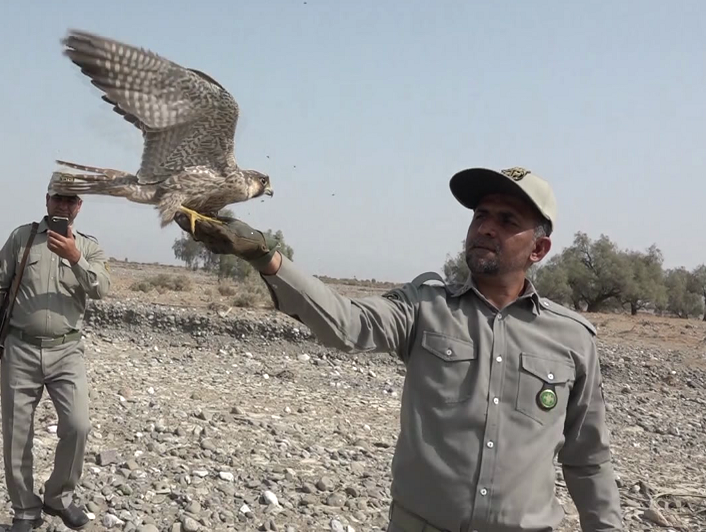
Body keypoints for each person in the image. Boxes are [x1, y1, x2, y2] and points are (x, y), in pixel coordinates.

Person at [174, 166, 623, 532]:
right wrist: (264, 256)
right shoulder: (425, 305)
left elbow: (588, 460)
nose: (485, 227)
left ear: (539, 248)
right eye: (480, 215)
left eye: (507, 221)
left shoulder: (572, 338)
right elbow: (347, 325)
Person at [0, 173, 111, 531]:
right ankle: (25, 511)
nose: (63, 205)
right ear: (46, 199)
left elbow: (102, 289)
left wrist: (76, 258)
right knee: (18, 434)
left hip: (67, 352)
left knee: (78, 426)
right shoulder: (22, 237)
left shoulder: (89, 247)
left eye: (70, 200)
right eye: (58, 198)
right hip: (20, 349)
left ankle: (58, 497)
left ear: (79, 206)